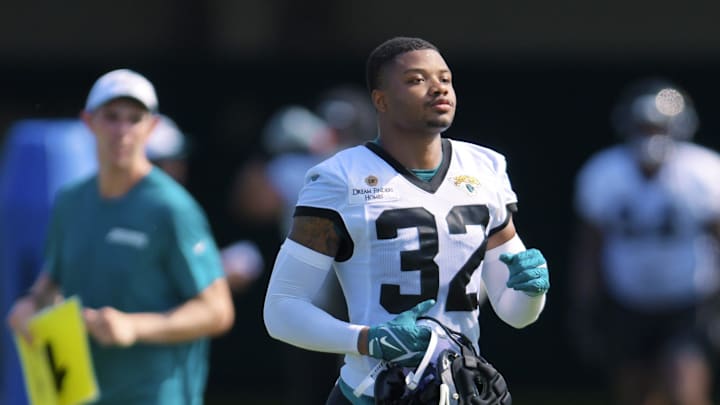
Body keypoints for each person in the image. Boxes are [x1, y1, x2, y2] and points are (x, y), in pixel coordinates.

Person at [263, 36, 550, 404]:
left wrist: (531, 290)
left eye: (445, 79)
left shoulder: (485, 168)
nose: (438, 89)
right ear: (380, 99)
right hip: (373, 392)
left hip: (461, 388)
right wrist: (368, 339)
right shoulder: (340, 178)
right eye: (417, 80)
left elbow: (516, 313)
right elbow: (281, 308)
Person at [5, 68, 235, 405]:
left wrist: (134, 326)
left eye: (134, 118)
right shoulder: (71, 200)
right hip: (80, 394)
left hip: (155, 395)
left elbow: (217, 310)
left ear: (151, 127)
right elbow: (51, 280)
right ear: (88, 122)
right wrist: (29, 305)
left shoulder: (171, 208)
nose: (122, 130)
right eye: (111, 117)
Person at [569, 77, 720, 405]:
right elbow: (590, 247)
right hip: (627, 301)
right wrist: (585, 304)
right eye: (644, 126)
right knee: (635, 394)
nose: (652, 136)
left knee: (686, 390)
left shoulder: (704, 172)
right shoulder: (604, 172)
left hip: (687, 303)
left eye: (660, 127)